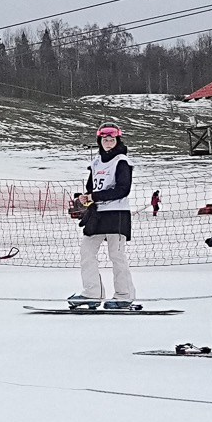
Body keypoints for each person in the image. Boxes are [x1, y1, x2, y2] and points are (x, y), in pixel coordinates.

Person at [69, 123, 137, 308]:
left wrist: (95, 196)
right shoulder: (97, 162)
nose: (108, 142)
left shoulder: (122, 161)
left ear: (117, 140)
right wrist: (86, 197)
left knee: (116, 255)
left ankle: (123, 296)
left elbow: (123, 189)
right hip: (97, 214)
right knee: (87, 252)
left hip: (117, 214)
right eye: (104, 139)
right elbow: (91, 187)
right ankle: (92, 293)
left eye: (111, 139)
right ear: (100, 141)